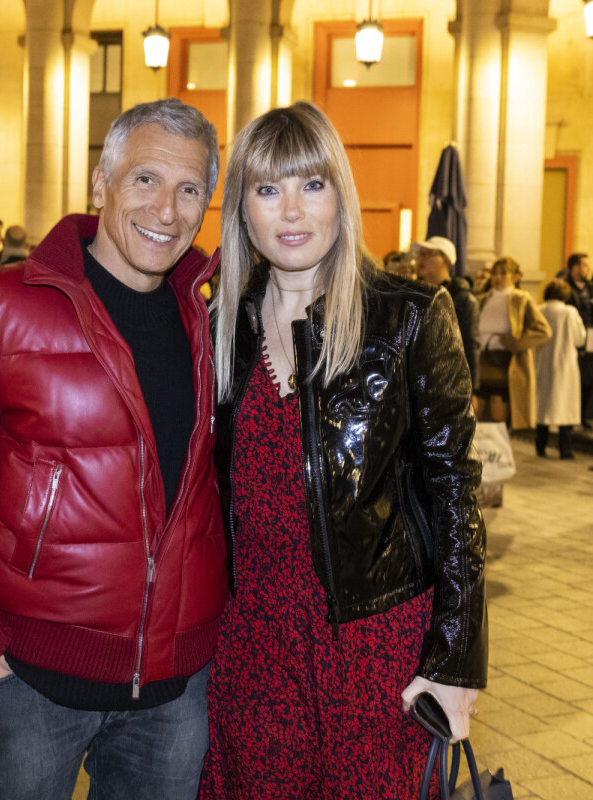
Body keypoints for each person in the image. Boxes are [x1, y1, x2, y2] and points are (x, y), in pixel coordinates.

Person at [0, 99, 225, 800]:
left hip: (172, 690)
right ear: (101, 185)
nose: (168, 209)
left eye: (191, 190)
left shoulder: (209, 319)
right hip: (30, 686)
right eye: (146, 180)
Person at [203, 102, 486, 799]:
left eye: (313, 185)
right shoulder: (218, 326)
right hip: (254, 642)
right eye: (268, 189)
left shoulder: (409, 316)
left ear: (342, 197)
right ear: (242, 209)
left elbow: (456, 493)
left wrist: (455, 661)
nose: (291, 211)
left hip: (372, 645)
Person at [475, 256, 552, 428]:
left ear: (515, 277)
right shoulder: (482, 299)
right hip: (481, 363)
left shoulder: (521, 299)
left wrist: (516, 343)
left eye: (503, 273)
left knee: (498, 417)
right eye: (494, 273)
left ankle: (499, 453)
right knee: (476, 416)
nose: (497, 278)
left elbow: (543, 331)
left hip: (505, 365)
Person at [414, 236, 480, 393]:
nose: (421, 259)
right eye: (420, 254)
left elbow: (470, 344)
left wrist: (472, 389)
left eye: (428, 254)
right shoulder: (416, 294)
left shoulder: (462, 298)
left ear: (445, 260)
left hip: (449, 381)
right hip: (420, 379)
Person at [534, 279, 586, 459]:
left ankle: (540, 446)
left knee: (543, 405)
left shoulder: (539, 310)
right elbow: (580, 338)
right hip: (565, 364)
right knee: (565, 405)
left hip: (542, 362)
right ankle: (565, 449)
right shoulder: (569, 312)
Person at [564, 252, 593, 430]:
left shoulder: (590, 287)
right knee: (573, 380)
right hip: (573, 339)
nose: (588, 269)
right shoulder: (565, 287)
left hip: (591, 338)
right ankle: (570, 417)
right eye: (585, 265)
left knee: (589, 379)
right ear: (575, 267)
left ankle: (582, 415)